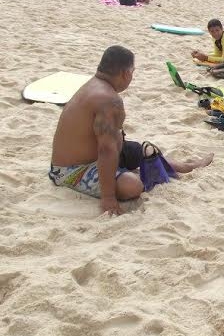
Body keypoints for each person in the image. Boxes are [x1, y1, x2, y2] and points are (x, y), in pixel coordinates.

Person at [49, 46, 213, 215]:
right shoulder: (108, 100)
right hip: (72, 170)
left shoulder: (94, 86)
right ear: (126, 73)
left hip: (99, 154)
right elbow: (106, 149)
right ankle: (133, 175)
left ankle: (187, 166)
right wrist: (108, 197)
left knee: (147, 151)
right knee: (132, 186)